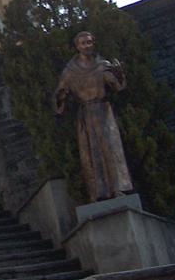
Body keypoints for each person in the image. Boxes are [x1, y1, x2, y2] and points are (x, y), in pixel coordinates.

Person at [54, 31, 134, 202]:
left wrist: (119, 74)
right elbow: (60, 95)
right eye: (83, 43)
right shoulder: (70, 71)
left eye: (89, 42)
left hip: (103, 110)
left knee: (111, 149)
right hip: (86, 114)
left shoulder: (102, 65)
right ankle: (99, 191)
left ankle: (118, 188)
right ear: (77, 46)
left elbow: (117, 86)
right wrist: (59, 97)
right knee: (91, 153)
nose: (87, 46)